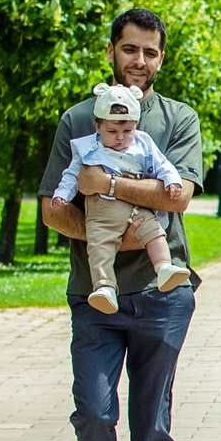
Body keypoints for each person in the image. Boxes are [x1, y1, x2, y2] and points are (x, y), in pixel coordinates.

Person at [38, 10, 202, 441]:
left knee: (151, 421)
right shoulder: (77, 119)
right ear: (111, 51)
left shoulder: (178, 119)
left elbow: (177, 197)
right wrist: (109, 236)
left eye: (150, 52)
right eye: (129, 49)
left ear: (161, 58)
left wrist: (105, 185)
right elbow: (53, 209)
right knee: (93, 411)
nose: (139, 61)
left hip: (163, 292)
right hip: (95, 294)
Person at [50, 82, 194, 312]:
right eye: (112, 132)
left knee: (154, 232)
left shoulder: (143, 143)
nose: (120, 138)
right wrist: (61, 195)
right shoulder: (87, 147)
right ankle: (104, 287)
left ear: (136, 124)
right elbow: (71, 175)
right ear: (98, 126)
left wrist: (172, 181)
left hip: (137, 207)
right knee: (99, 246)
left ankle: (164, 267)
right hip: (102, 210)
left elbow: (163, 164)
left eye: (127, 131)